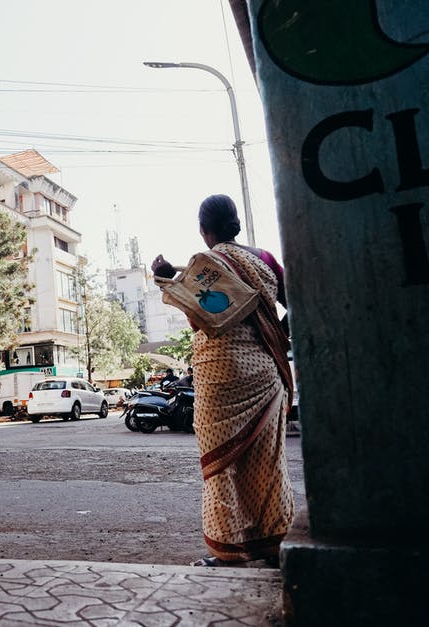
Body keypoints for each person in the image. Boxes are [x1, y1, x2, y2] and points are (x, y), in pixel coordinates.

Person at [152, 194, 294, 568]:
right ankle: (273, 543)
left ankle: (230, 550)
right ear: (236, 223)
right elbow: (298, 301)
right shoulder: (264, 259)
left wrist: (167, 279)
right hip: (266, 370)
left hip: (221, 373)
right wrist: (278, 335)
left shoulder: (207, 264)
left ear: (204, 230)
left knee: (221, 466)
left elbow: (202, 319)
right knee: (268, 461)